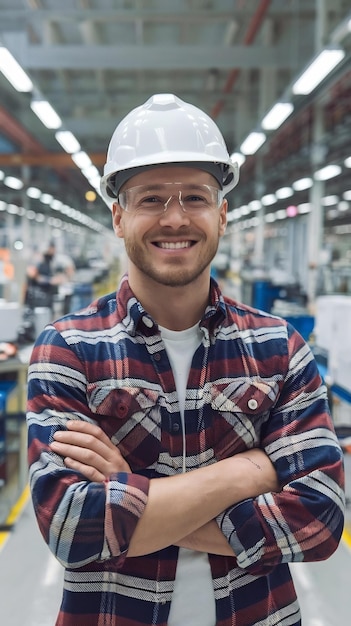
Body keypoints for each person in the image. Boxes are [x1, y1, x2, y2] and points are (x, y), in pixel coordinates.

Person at [27, 94, 345, 626]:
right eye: (150, 198)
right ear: (119, 217)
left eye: (194, 197)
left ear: (220, 214)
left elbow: (320, 520)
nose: (175, 218)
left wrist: (131, 496)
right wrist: (248, 472)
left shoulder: (278, 346)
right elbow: (71, 528)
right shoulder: (67, 348)